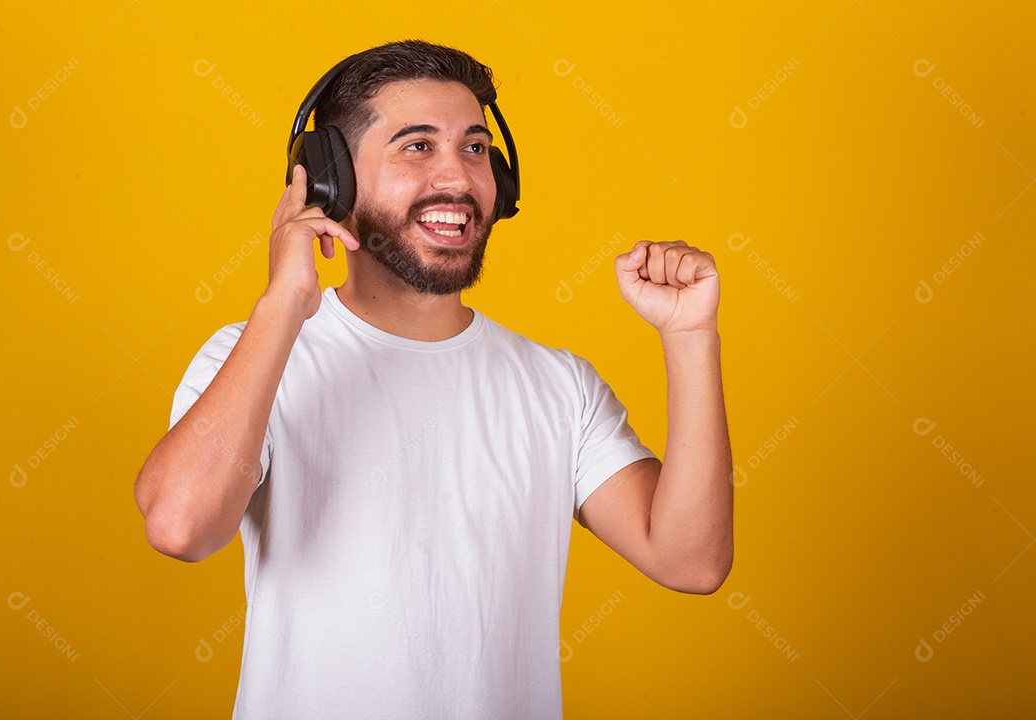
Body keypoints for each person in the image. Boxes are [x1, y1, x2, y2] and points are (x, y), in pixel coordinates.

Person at [135, 39, 732, 719]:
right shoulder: (252, 360)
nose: (458, 178)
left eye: (476, 148)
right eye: (417, 146)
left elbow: (691, 562)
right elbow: (180, 527)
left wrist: (689, 338)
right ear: (331, 181)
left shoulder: (558, 386)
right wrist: (283, 304)